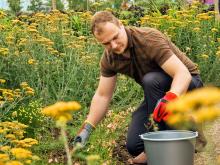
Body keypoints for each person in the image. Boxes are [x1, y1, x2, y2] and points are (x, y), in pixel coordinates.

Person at [73, 11, 207, 164]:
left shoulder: (148, 39)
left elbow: (182, 74)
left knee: (151, 80)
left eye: (115, 37)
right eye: (106, 43)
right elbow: (103, 95)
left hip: (189, 87)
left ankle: (170, 142)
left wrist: (170, 98)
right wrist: (87, 128)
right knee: (135, 144)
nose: (114, 45)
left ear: (121, 25)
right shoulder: (109, 59)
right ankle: (186, 130)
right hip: (158, 92)